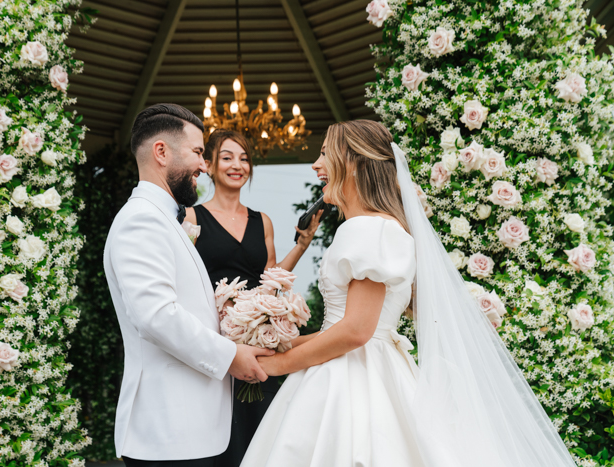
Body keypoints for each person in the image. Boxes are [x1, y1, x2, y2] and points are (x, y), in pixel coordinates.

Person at [241, 120, 577, 467]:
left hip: (353, 378)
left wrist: (280, 365)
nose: (316, 164)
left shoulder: (368, 229)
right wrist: (273, 347)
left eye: (325, 153)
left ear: (354, 163)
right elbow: (338, 329)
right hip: (361, 363)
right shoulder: (377, 227)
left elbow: (356, 331)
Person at [103, 104, 274, 467]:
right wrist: (231, 356)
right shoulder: (141, 222)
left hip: (196, 429)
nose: (203, 165)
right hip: (170, 431)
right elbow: (156, 316)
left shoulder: (166, 219)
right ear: (161, 152)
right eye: (198, 153)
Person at [183, 129, 321, 466]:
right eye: (227, 157)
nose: (237, 165)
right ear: (210, 165)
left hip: (257, 347)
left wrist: (302, 246)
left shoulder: (263, 222)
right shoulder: (191, 218)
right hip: (215, 347)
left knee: (260, 437)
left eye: (244, 158)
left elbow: (269, 282)